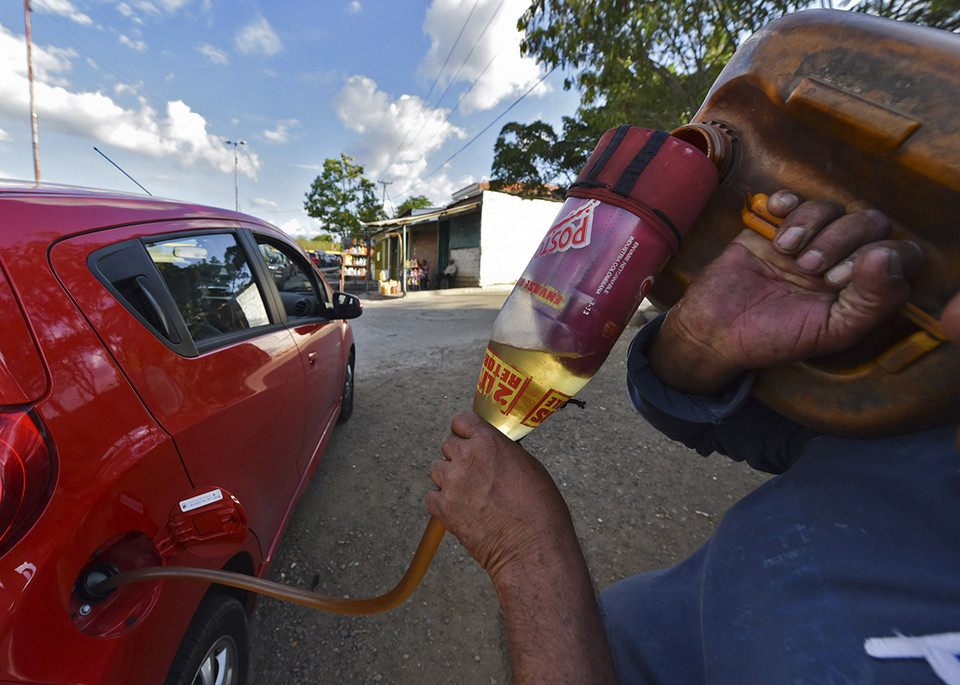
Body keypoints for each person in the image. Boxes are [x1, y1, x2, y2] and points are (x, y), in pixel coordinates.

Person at [427, 190, 960, 684]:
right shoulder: (927, 439)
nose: (953, 316)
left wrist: (527, 558)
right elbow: (723, 429)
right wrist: (697, 347)